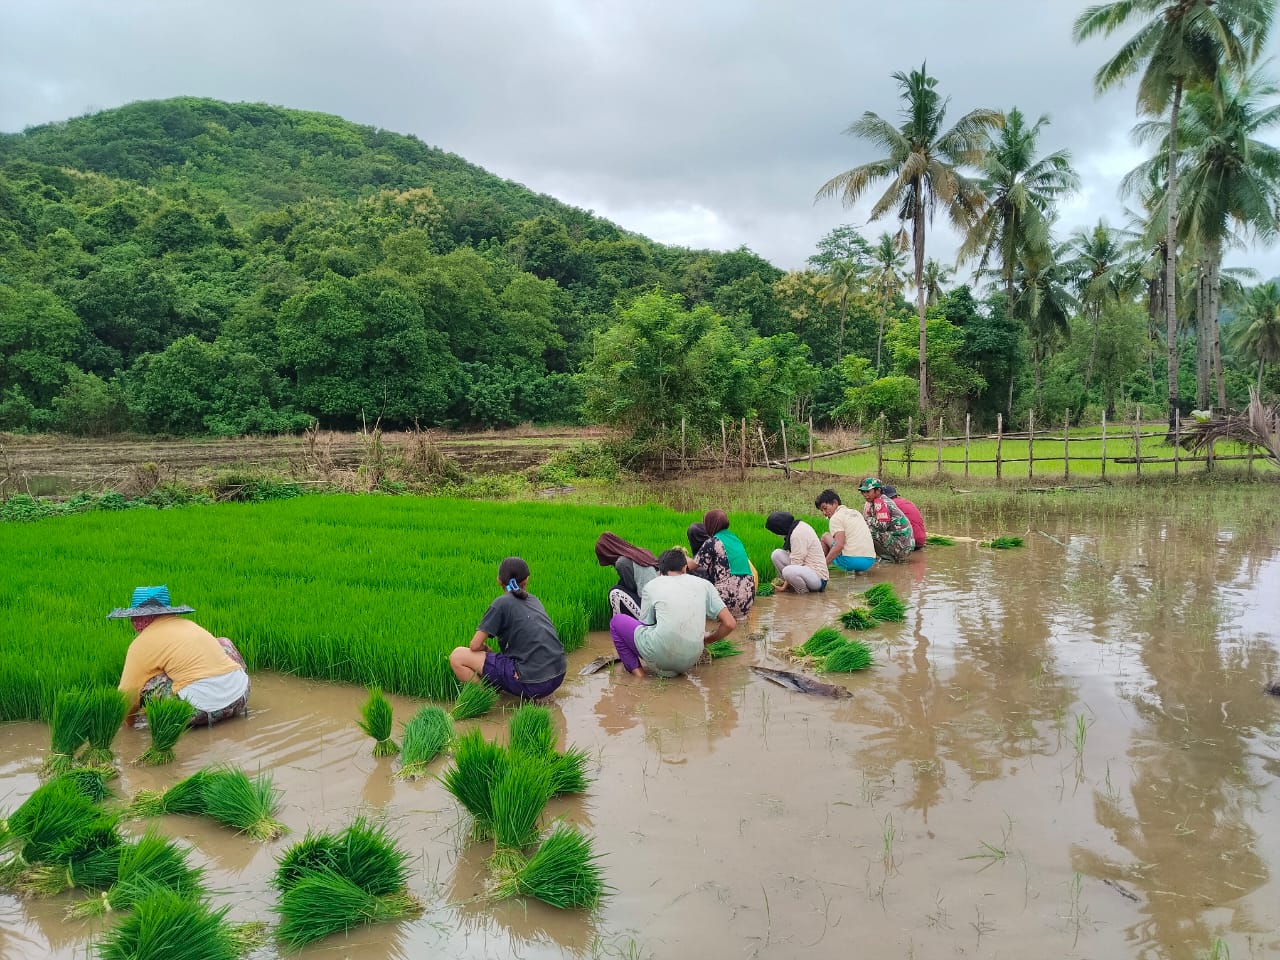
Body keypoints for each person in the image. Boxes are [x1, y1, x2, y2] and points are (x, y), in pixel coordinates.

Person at [109, 585, 250, 727]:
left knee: (149, 680)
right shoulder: (189, 625)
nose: (133, 621)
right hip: (240, 697)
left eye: (135, 617)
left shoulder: (140, 645)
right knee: (222, 642)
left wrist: (129, 726)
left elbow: (127, 695)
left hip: (198, 711)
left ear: (144, 618)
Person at [450, 557, 567, 700]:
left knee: (457, 656)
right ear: (526, 581)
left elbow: (474, 645)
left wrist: (486, 650)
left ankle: (484, 699)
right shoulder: (534, 600)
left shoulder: (501, 603)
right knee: (504, 662)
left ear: (499, 580)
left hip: (534, 683)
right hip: (558, 675)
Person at [608, 548, 736, 678]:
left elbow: (646, 626)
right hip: (691, 659)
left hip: (661, 658)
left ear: (661, 571)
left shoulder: (652, 585)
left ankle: (639, 676)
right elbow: (730, 624)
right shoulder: (705, 584)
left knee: (616, 622)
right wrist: (708, 639)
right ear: (685, 568)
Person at [685, 509, 755, 620]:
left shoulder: (712, 542)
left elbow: (691, 566)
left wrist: (681, 555)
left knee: (688, 574)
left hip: (725, 603)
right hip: (747, 601)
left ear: (710, 524)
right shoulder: (735, 539)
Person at [595, 532, 659, 618]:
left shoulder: (622, 563)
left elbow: (631, 587)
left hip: (651, 608)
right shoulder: (641, 551)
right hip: (661, 602)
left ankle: (617, 625)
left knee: (614, 592)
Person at [765, 511, 828, 594]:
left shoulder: (797, 535)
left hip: (818, 578)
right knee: (776, 554)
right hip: (806, 571)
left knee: (788, 571)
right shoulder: (797, 526)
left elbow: (796, 563)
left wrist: (783, 587)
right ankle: (790, 584)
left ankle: (803, 593)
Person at [814, 488, 876, 573]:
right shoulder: (855, 512)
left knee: (825, 536)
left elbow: (839, 545)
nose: (824, 513)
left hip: (850, 561)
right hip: (869, 561)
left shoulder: (835, 518)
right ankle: (859, 573)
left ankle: (818, 566)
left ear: (835, 503)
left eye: (825, 508)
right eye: (822, 511)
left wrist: (824, 565)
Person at [858, 477, 914, 562]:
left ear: (878, 491)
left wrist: (866, 520)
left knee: (867, 530)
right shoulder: (876, 502)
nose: (865, 495)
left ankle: (888, 558)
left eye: (868, 491)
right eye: (863, 492)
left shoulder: (881, 503)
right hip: (903, 543)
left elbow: (882, 526)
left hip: (901, 545)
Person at [882, 484, 926, 550]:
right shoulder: (907, 502)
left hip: (909, 542)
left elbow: (882, 525)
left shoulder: (889, 505)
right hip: (921, 540)